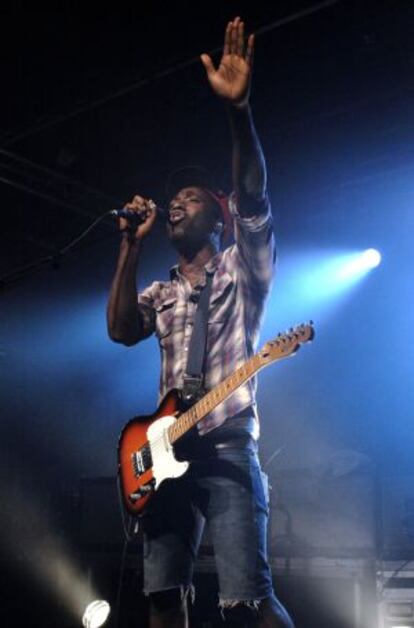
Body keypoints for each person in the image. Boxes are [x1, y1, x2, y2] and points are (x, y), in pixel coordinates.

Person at [107, 16, 295, 628]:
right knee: (164, 598)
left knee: (248, 599)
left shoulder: (244, 268)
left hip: (230, 444)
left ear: (218, 219)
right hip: (165, 453)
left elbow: (253, 192)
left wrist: (239, 111)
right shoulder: (160, 289)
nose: (178, 201)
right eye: (174, 198)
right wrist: (130, 246)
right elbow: (119, 330)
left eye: (193, 196)